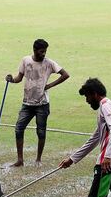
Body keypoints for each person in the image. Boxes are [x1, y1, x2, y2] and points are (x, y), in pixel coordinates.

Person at [5, 38, 69, 167]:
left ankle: (38, 159)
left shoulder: (49, 63)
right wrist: (11, 80)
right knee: (18, 129)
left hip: (42, 104)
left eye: (45, 51)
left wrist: (50, 85)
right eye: (41, 51)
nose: (44, 54)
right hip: (27, 103)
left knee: (41, 131)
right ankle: (20, 160)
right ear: (34, 50)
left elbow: (65, 74)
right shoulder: (26, 61)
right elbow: (19, 78)